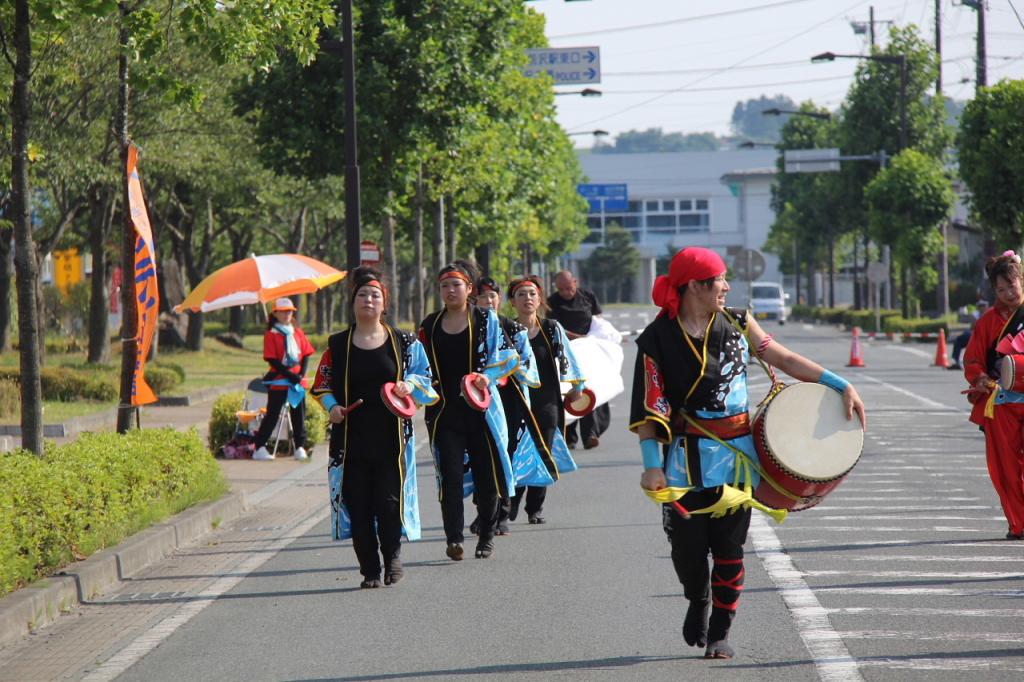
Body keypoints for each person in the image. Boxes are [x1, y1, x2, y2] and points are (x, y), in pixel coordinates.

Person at [630, 247, 866, 660]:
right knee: (687, 550)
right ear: (693, 287)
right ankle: (697, 598)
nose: (726, 287)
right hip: (684, 459)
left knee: (729, 549)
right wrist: (652, 466)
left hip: (735, 459)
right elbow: (649, 406)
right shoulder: (657, 338)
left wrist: (838, 382)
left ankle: (721, 630)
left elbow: (782, 357)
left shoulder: (738, 322)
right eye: (718, 280)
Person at [310, 267, 437, 588]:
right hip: (351, 440)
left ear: (385, 304)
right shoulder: (337, 345)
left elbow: (425, 377)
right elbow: (322, 385)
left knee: (388, 502)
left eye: (375, 295)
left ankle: (393, 559)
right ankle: (369, 570)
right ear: (353, 302)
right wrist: (332, 408)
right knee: (359, 505)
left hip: (392, 440)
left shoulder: (404, 341)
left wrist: (409, 384)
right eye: (362, 295)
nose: (368, 300)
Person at [419, 260, 520, 561]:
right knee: (449, 477)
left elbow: (508, 357)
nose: (450, 291)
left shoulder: (487, 320)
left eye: (456, 285)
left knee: (487, 479)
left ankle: (487, 536)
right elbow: (418, 366)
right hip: (444, 414)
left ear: (469, 289)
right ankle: (454, 538)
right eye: (444, 286)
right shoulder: (430, 324)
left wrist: (486, 378)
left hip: (482, 413)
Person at [472, 277, 551, 534]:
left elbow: (528, 366)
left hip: (510, 402)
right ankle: (485, 512)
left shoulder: (513, 329)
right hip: (478, 403)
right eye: (483, 297)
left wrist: (506, 367)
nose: (488, 301)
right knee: (481, 459)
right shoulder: (468, 328)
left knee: (505, 456)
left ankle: (502, 514)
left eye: (492, 297)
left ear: (500, 300)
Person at [507, 275, 585, 525]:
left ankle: (535, 507)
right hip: (516, 403)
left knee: (543, 453)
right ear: (512, 301)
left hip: (548, 403)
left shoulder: (551, 328)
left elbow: (569, 359)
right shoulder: (506, 331)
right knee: (517, 453)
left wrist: (577, 386)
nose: (527, 298)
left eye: (532, 293)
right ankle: (511, 505)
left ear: (540, 299)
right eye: (521, 294)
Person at [962, 250, 1024, 541]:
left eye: (1012, 286)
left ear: (1021, 281)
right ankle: (1019, 523)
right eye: (1001, 290)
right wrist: (982, 378)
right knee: (1007, 467)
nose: (1008, 293)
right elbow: (973, 360)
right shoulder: (987, 321)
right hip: (1002, 403)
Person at [547, 270, 608, 449]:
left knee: (588, 390)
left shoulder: (587, 296)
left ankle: (590, 433)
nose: (566, 292)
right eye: (562, 289)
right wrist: (578, 338)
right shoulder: (552, 302)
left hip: (588, 350)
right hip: (565, 351)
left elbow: (598, 320)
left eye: (569, 287)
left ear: (575, 282)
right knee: (570, 391)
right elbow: (555, 328)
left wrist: (599, 337)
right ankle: (570, 437)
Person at [253, 298, 316, 461]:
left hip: (297, 383)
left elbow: (307, 353)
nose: (288, 314)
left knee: (299, 415)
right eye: (284, 311)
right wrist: (290, 376)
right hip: (279, 382)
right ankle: (259, 447)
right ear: (275, 313)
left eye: (290, 311)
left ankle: (300, 446)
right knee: (272, 414)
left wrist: (301, 374)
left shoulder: (297, 332)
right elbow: (272, 359)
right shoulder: (271, 334)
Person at [949, 299, 989, 370]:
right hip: (975, 335)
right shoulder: (975, 314)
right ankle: (956, 361)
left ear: (987, 306)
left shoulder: (991, 314)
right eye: (980, 306)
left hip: (987, 337)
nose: (981, 307)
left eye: (983, 306)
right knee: (959, 339)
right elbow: (973, 327)